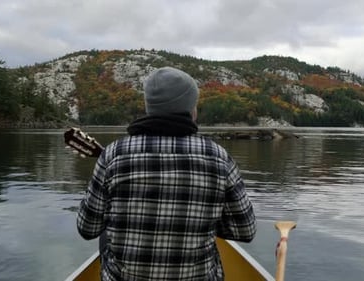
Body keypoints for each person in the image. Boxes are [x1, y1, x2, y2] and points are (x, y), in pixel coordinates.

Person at [76, 66, 256, 280]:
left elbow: (87, 228)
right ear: (192, 110)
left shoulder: (113, 154)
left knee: (106, 228)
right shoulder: (219, 157)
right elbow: (245, 231)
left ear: (148, 107)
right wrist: (201, 221)